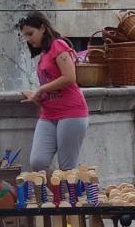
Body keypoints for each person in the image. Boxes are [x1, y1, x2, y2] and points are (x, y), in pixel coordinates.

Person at [18, 12, 89, 171]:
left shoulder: (58, 45)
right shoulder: (44, 54)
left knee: (67, 167)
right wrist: (37, 95)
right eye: (25, 36)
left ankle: (69, 194)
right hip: (49, 114)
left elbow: (70, 77)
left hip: (71, 113)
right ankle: (61, 192)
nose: (28, 39)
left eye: (30, 34)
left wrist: (41, 88)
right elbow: (53, 84)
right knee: (38, 162)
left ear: (43, 28)